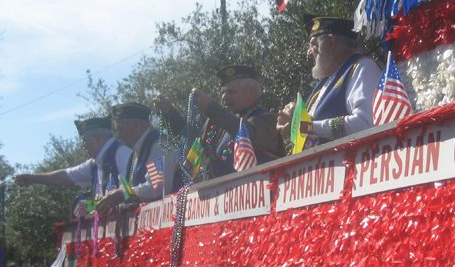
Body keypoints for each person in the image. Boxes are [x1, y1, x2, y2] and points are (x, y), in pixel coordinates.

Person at [154, 64, 285, 179]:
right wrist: (170, 113)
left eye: (231, 92)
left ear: (251, 93)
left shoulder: (266, 119)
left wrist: (211, 108)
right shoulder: (215, 124)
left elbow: (247, 135)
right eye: (222, 93)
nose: (224, 97)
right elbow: (187, 138)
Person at [277, 15, 382, 146]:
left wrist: (309, 127)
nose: (309, 53)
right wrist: (294, 118)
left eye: (314, 45)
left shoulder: (363, 66)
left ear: (331, 43)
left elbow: (367, 123)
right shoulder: (325, 82)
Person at [13, 116, 132, 212]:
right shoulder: (95, 163)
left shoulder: (122, 151)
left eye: (84, 140)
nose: (82, 145)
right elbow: (64, 177)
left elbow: (131, 188)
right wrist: (32, 178)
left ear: (97, 138)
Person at [96, 102, 179, 213]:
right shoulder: (136, 152)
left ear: (135, 124)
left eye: (121, 129)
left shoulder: (158, 145)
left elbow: (157, 189)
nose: (119, 136)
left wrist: (122, 194)